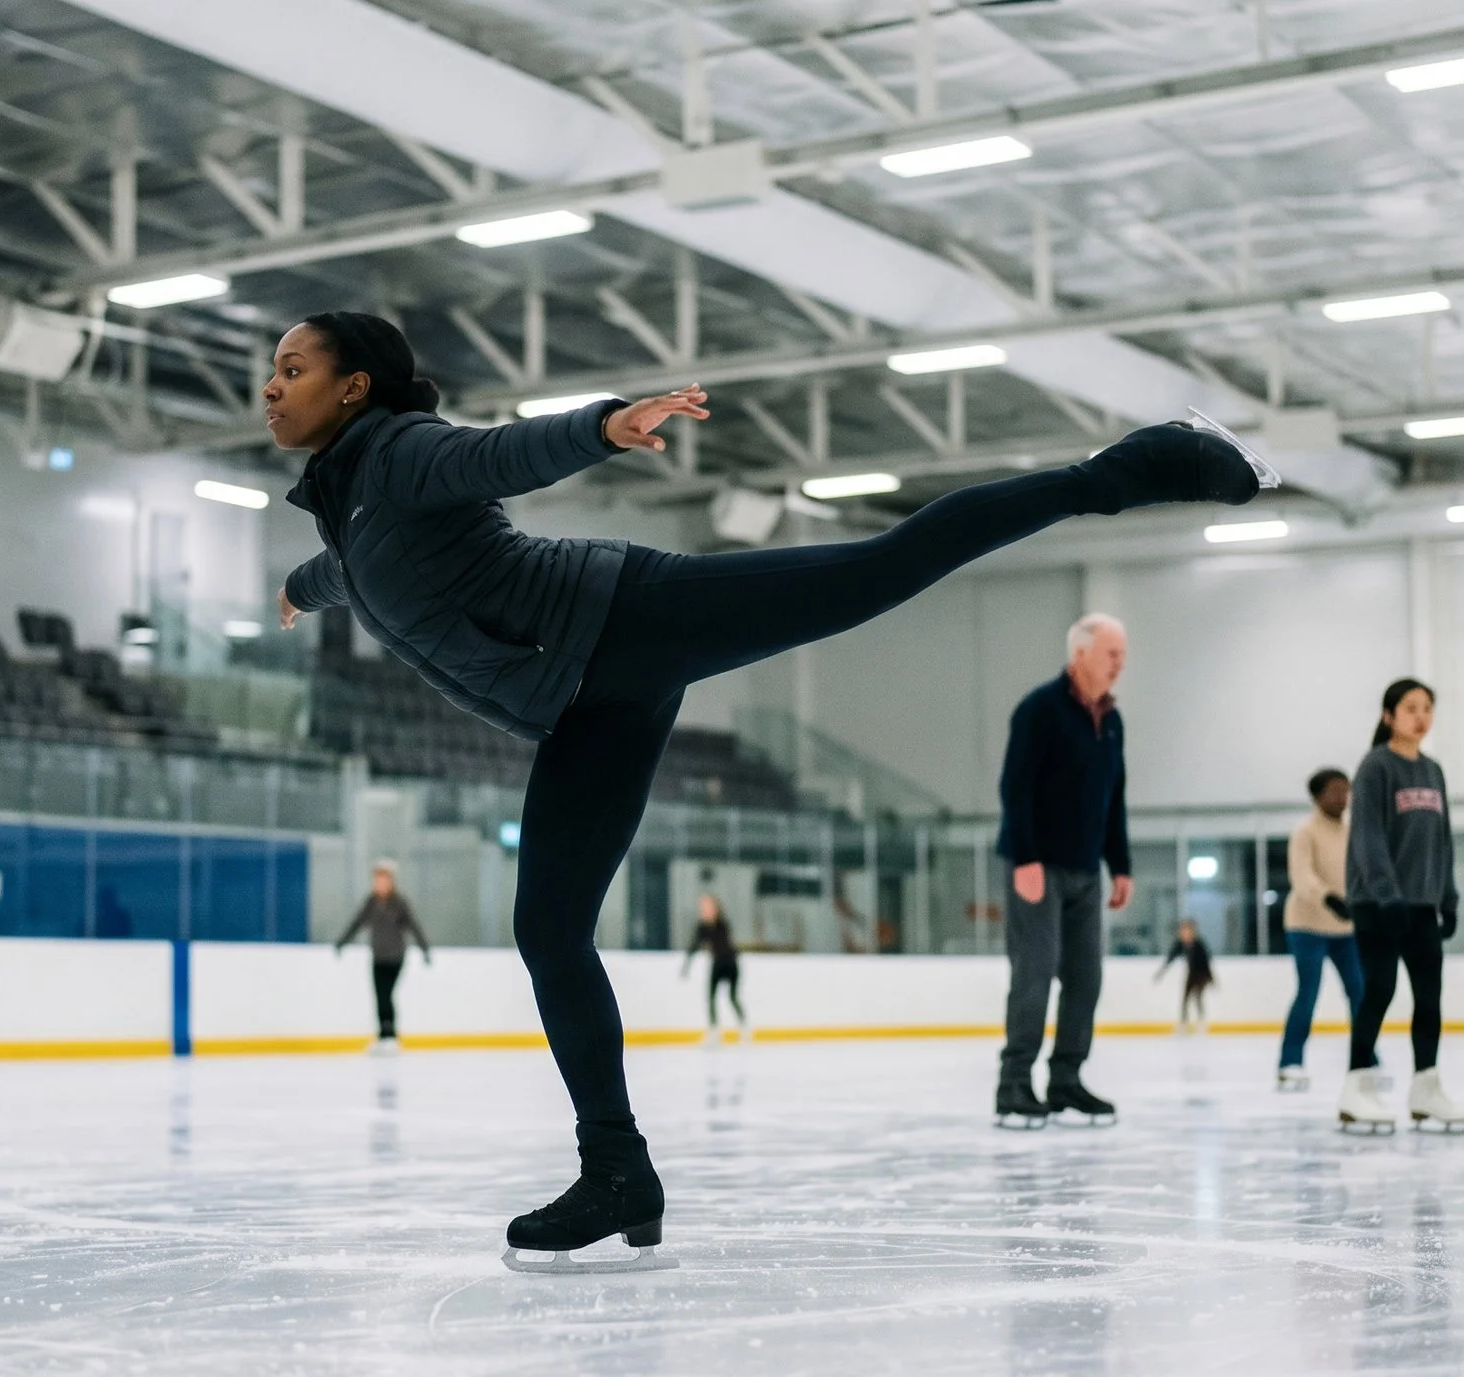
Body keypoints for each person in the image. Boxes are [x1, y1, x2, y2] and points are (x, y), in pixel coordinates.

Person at [267, 310, 1263, 1269]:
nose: (271, 384)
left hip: (625, 617)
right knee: (550, 933)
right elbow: (347, 570)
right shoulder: (352, 513)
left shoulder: (398, 455)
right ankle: (617, 1175)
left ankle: (1132, 467)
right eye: (272, 369)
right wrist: (295, 589)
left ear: (355, 387)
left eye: (293, 367)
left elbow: (495, 458)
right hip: (581, 707)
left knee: (885, 563)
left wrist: (601, 426)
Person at [993, 614, 1137, 1129]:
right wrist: (1026, 858)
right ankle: (1013, 1085)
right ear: (1080, 655)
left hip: (1084, 869)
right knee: (1034, 974)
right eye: (1111, 654)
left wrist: (1119, 864)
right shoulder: (1040, 709)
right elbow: (1015, 787)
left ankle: (1065, 1080)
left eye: (1122, 654)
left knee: (1086, 978)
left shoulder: (1112, 721)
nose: (1120, 663)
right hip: (1037, 866)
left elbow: (1112, 798)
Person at [1339, 679, 1464, 1135]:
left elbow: (1443, 839)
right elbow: (1367, 836)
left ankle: (1426, 1087)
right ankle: (1356, 1087)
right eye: (1411, 707)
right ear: (1389, 715)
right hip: (1378, 902)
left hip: (1422, 904)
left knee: (1429, 998)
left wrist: (1447, 898)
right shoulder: (1375, 767)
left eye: (1427, 708)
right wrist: (1386, 895)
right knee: (1379, 989)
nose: (1421, 716)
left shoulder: (1433, 771)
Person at [1278, 767, 1364, 1091]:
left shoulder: (1353, 830)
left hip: (1347, 929)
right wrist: (1330, 899)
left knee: (1360, 991)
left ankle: (1364, 1056)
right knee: (1308, 992)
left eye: (1346, 790)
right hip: (1307, 927)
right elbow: (1302, 877)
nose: (1343, 797)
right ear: (1317, 796)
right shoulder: (1305, 831)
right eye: (1335, 791)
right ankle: (1290, 1062)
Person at [334, 859, 432, 1054]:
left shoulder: (399, 903)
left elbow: (414, 926)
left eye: (384, 879)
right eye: (377, 879)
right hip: (378, 956)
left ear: (391, 881)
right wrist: (342, 942)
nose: (380, 883)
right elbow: (357, 922)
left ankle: (391, 1036)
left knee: (387, 995)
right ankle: (382, 1036)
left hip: (395, 957)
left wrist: (425, 949)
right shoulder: (371, 902)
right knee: (379, 996)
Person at [680, 893, 745, 1045]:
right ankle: (715, 1033)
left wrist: (709, 930)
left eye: (708, 907)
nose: (704, 910)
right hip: (717, 964)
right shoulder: (702, 927)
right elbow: (694, 946)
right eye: (703, 908)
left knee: (732, 997)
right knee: (711, 998)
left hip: (730, 963)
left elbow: (723, 943)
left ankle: (744, 1028)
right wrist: (686, 966)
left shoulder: (722, 924)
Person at [1154, 919, 1214, 1034]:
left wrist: (1211, 978)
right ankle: (1183, 1024)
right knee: (1185, 999)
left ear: (1192, 932)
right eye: (1183, 931)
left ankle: (1201, 1024)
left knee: (1198, 997)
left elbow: (1206, 962)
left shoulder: (1199, 944)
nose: (1184, 933)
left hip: (1202, 974)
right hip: (1191, 973)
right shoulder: (1180, 944)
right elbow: (1171, 957)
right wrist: (1161, 971)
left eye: (1187, 930)